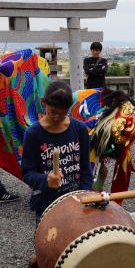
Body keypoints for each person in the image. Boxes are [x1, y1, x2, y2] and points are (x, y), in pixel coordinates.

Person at [21, 81, 93, 224]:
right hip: (45, 204)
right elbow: (27, 173)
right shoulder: (33, 133)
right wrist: (45, 179)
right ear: (43, 103)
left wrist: (84, 194)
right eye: (52, 112)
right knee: (49, 243)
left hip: (75, 201)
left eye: (62, 113)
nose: (56, 118)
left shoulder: (79, 129)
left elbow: (86, 167)